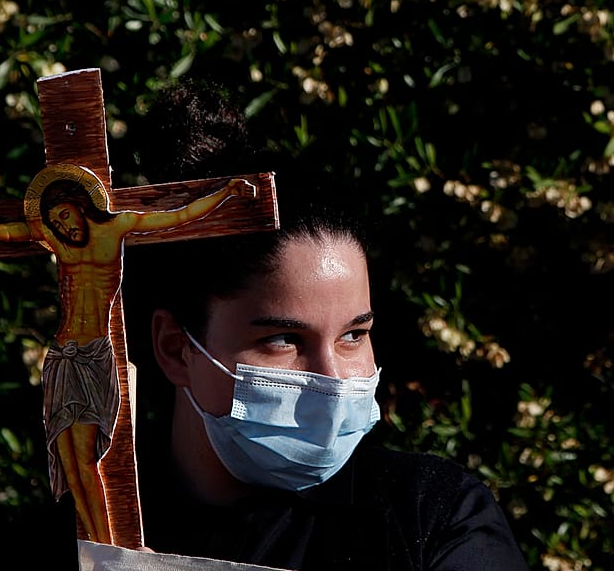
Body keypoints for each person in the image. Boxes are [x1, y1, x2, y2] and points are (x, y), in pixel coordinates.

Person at [122, 80, 529, 570]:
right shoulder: (91, 537)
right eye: (282, 339)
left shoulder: (432, 518)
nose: (333, 380)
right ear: (174, 348)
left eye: (354, 335)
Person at [0, 162, 256, 544]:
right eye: (55, 222)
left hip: (93, 355)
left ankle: (109, 547)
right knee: (70, 466)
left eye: (66, 217)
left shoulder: (116, 228)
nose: (65, 228)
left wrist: (226, 193)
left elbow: (178, 215)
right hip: (62, 356)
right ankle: (94, 546)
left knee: (90, 461)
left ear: (81, 206)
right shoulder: (55, 241)